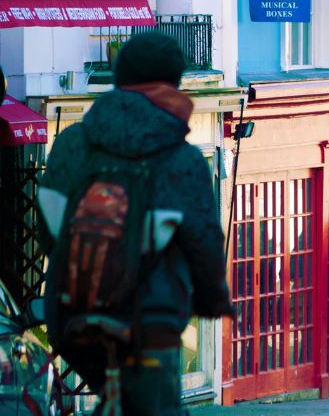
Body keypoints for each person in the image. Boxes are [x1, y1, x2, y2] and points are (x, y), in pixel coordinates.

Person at [37, 32, 232, 415]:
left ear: (118, 79)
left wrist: (82, 269)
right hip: (150, 321)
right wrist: (212, 298)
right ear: (175, 83)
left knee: (109, 389)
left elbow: (47, 221)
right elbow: (204, 241)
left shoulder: (73, 142)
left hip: (72, 313)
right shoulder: (182, 158)